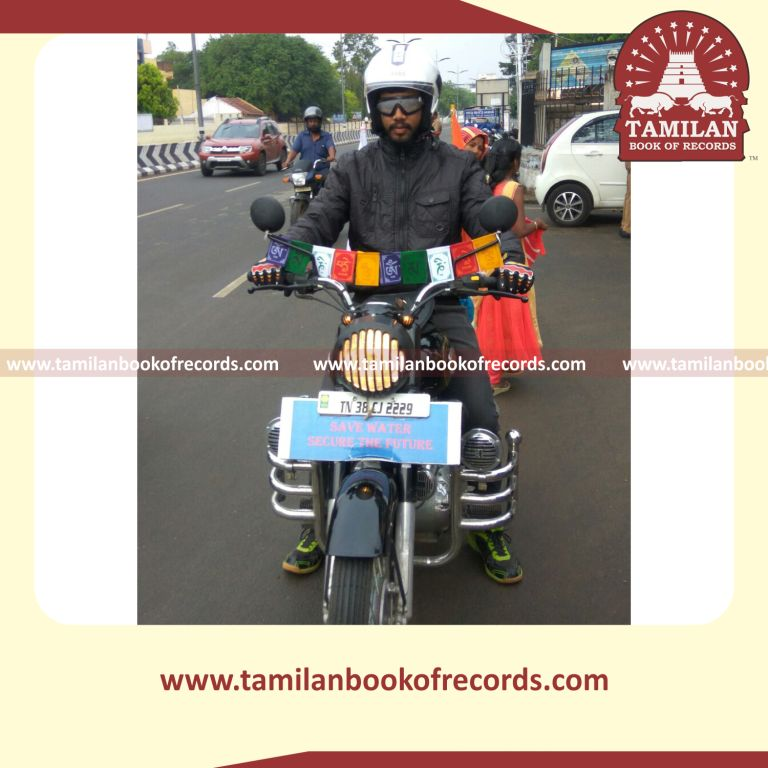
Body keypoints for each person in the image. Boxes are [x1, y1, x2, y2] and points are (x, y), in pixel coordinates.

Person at [264, 42, 523, 585]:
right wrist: (280, 258)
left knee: (478, 410)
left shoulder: (459, 166)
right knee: (330, 412)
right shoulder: (352, 168)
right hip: (368, 311)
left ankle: (486, 516)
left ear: (428, 106)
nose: (398, 114)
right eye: (388, 104)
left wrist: (511, 258)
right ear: (373, 108)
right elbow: (318, 221)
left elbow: (484, 218)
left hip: (439, 302)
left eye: (409, 103)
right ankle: (319, 517)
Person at [476, 137, 547, 396]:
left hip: (488, 255)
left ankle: (491, 372)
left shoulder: (487, 184)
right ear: (515, 162)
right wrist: (537, 225)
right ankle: (493, 378)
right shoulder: (513, 188)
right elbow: (517, 229)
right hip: (510, 258)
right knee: (506, 319)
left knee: (490, 319)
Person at [284, 106, 337, 173]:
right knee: (292, 177)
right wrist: (287, 161)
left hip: (322, 171)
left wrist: (331, 156)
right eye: (310, 121)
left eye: (315, 121)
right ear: (307, 122)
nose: (313, 124)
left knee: (329, 177)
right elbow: (294, 150)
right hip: (305, 171)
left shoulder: (326, 136)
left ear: (320, 122)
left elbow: (331, 147)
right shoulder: (302, 136)